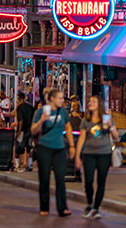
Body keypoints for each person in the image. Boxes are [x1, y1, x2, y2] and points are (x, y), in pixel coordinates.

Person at [31, 88, 74, 217]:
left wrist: (72, 146)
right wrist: (42, 120)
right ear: (52, 99)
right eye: (60, 98)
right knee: (44, 178)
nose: (62, 101)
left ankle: (63, 208)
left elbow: (68, 128)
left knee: (61, 178)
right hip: (45, 147)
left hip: (59, 148)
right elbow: (33, 130)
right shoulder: (40, 112)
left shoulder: (63, 112)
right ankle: (44, 207)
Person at [74, 95, 119, 219]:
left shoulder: (106, 118)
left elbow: (116, 137)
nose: (90, 103)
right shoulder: (86, 120)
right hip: (89, 154)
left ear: (99, 104)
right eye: (90, 101)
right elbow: (82, 138)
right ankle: (89, 203)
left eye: (93, 102)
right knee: (88, 181)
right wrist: (77, 156)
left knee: (101, 181)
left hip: (104, 153)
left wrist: (110, 125)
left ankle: (96, 208)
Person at [15, 92, 34, 172]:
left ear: (19, 98)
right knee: (29, 148)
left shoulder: (19, 108)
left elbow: (21, 120)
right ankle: (29, 165)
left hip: (22, 130)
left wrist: (18, 131)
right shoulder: (31, 107)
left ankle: (17, 165)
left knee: (18, 148)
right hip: (30, 130)